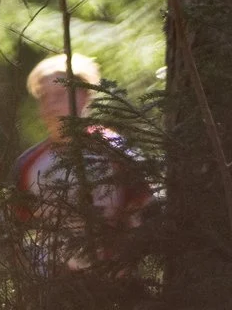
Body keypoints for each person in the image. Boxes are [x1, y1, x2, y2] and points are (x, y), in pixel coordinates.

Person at [9, 52, 155, 278]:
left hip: (117, 291)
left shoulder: (118, 154)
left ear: (85, 96)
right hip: (54, 295)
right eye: (44, 97)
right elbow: (11, 234)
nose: (50, 106)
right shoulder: (28, 165)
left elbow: (148, 220)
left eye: (59, 96)